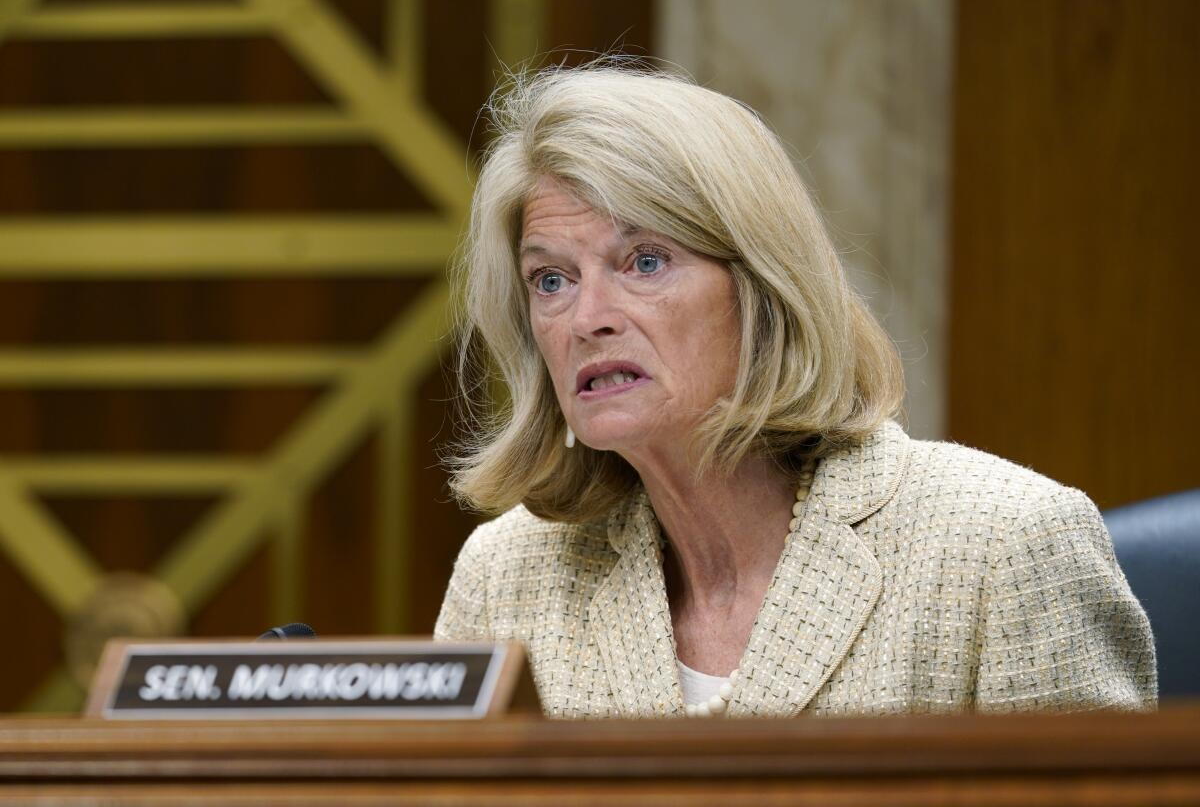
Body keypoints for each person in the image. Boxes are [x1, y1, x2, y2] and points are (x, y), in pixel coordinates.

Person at [434, 62, 1156, 719]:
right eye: (550, 280)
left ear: (763, 288)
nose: (586, 319)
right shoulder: (507, 577)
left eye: (645, 261)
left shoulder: (1004, 546)